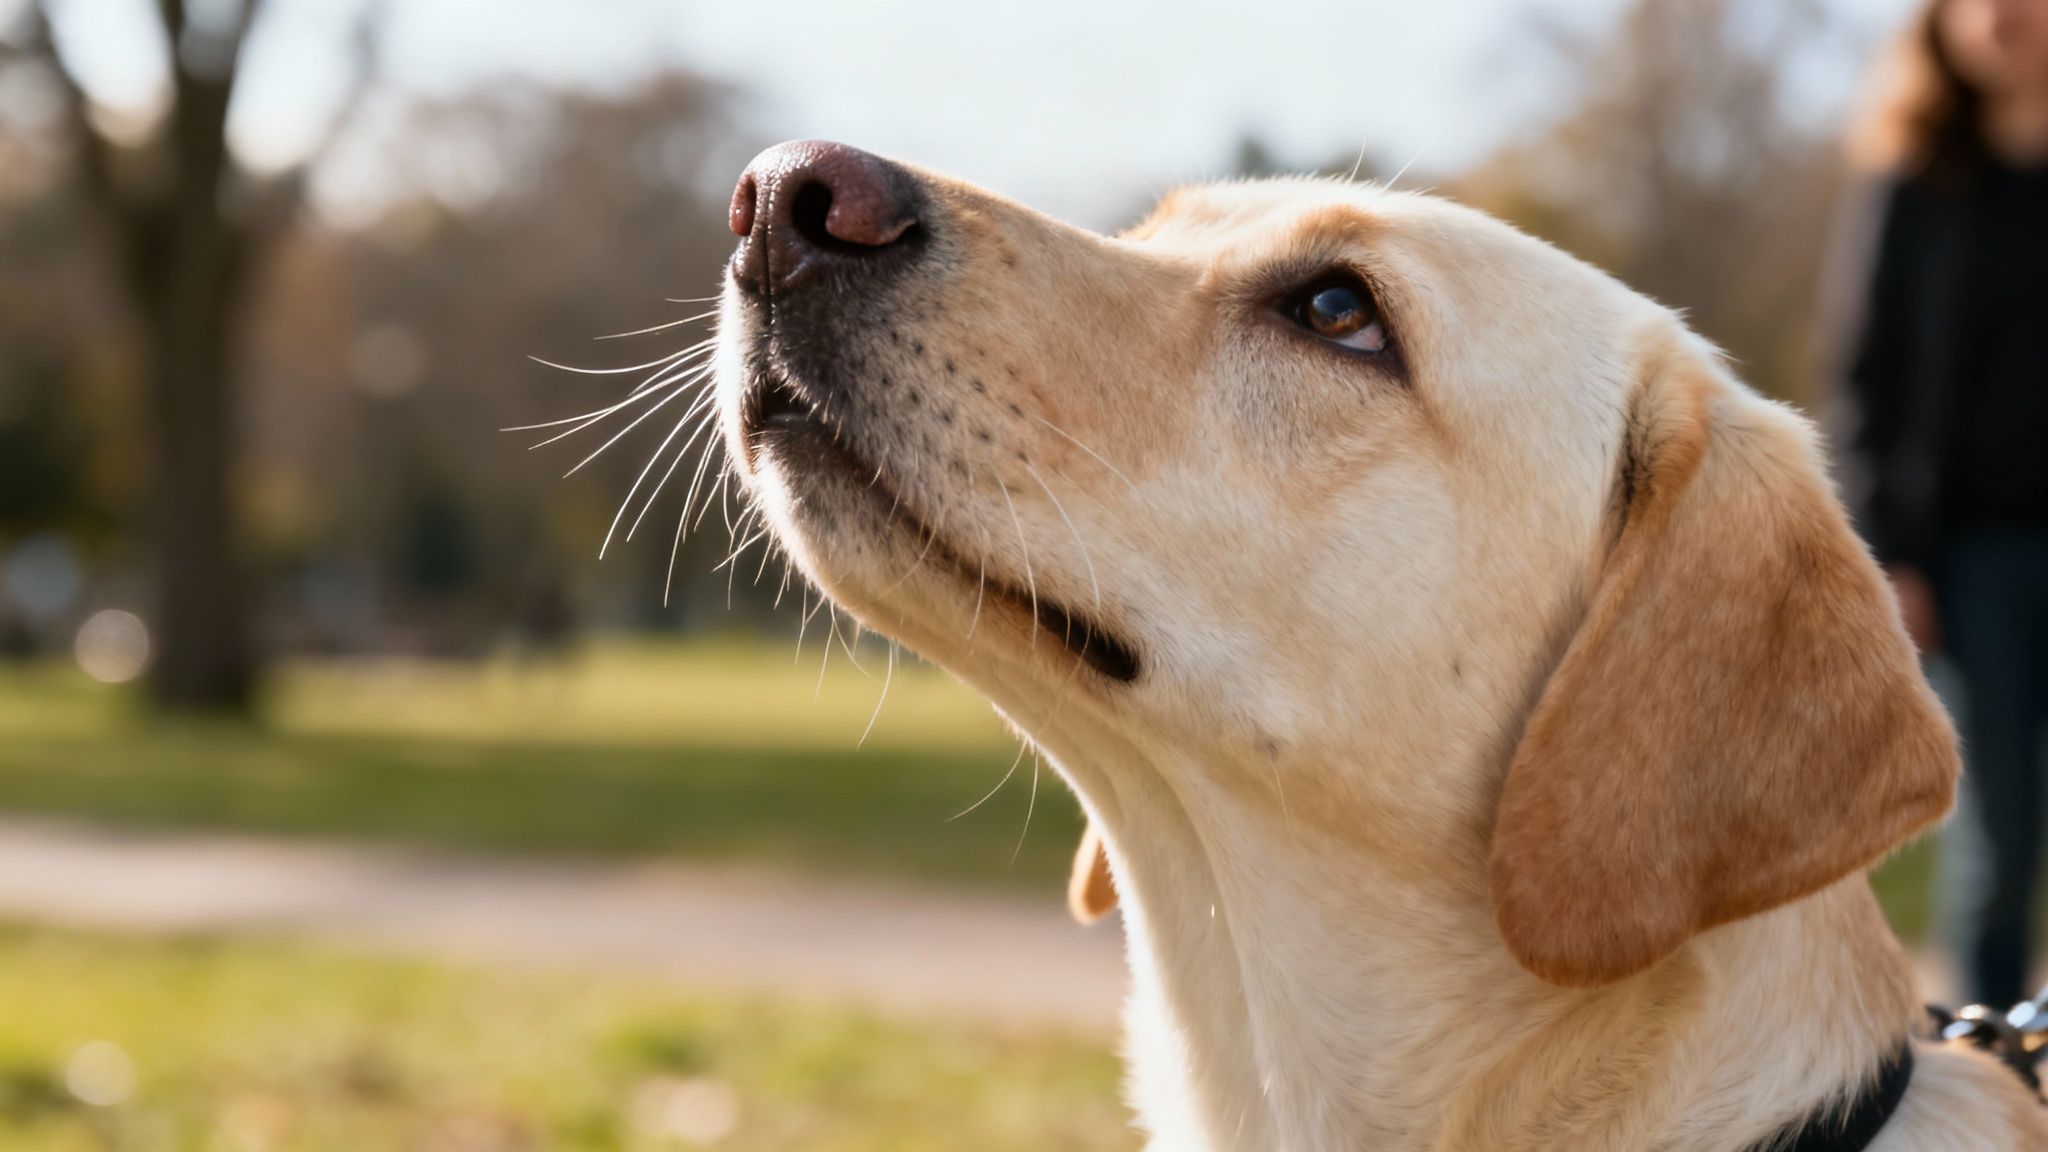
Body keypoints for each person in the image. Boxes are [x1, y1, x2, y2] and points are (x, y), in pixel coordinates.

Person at [1839, 0, 2048, 1007]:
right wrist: (1892, 555)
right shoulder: (1911, 186)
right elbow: (1862, 383)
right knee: (1997, 840)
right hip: (1970, 561)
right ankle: (2006, 1073)